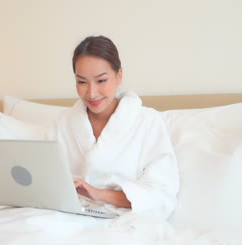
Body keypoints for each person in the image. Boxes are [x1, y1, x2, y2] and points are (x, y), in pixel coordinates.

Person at [48, 36, 179, 219]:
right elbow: (46, 182)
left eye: (101, 81)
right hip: (68, 216)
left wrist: (98, 194)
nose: (92, 93)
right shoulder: (63, 122)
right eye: (82, 82)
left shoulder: (148, 122)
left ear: (119, 76)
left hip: (125, 221)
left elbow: (161, 194)